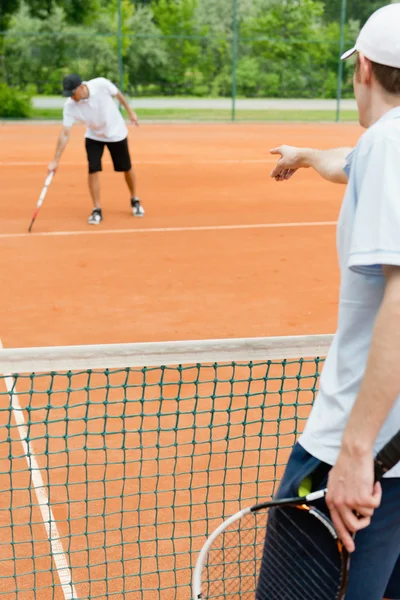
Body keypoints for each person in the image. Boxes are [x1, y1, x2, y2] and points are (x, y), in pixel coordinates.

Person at [260, 4, 400, 599]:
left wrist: (356, 451)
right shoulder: (381, 152)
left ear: (363, 68)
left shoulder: (388, 143)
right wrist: (307, 155)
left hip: (364, 467)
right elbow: (354, 164)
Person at [48, 74, 144, 225]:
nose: (71, 97)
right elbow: (65, 133)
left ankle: (134, 199)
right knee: (93, 169)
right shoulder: (70, 106)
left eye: (72, 93)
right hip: (93, 136)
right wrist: (55, 160)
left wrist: (130, 112)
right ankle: (96, 209)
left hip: (116, 133)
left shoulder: (100, 84)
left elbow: (118, 94)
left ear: (81, 87)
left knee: (126, 167)